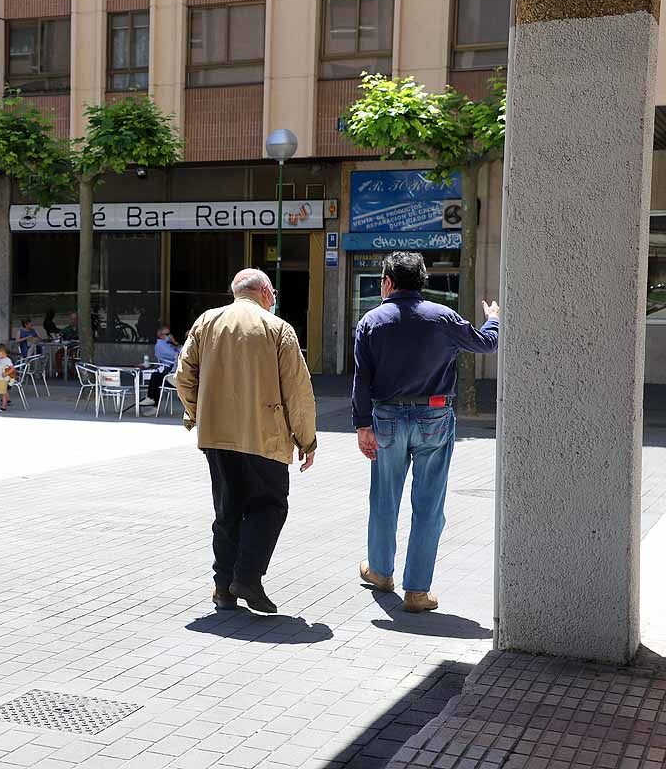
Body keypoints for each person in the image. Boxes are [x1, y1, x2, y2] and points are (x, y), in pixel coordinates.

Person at [353, 251, 500, 613]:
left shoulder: (371, 321)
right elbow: (487, 343)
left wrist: (362, 425)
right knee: (429, 506)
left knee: (384, 500)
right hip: (434, 417)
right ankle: (417, 591)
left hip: (385, 417)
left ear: (387, 283)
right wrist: (493, 319)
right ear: (423, 282)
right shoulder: (442, 317)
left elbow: (362, 380)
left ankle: (381, 572)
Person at [176, 268, 317, 615]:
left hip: (217, 435)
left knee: (227, 511)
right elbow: (298, 392)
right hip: (264, 434)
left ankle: (223, 588)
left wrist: (197, 413)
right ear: (266, 292)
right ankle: (248, 577)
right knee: (269, 506)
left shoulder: (206, 322)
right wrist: (306, 440)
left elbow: (183, 376)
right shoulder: (277, 329)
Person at [145, 326, 181, 406]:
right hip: (169, 371)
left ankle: (151, 399)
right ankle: (152, 400)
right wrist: (175, 344)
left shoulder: (168, 345)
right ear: (161, 335)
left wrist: (175, 343)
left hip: (173, 373)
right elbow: (178, 354)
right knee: (156, 377)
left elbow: (181, 353)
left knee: (155, 377)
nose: (170, 336)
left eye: (170, 334)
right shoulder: (161, 345)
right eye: (167, 334)